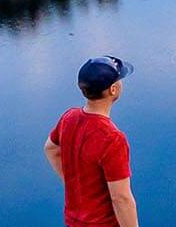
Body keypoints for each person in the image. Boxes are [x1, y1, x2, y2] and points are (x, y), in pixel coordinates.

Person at [45, 56, 139, 227]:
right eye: (120, 79)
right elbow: (121, 198)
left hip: (74, 220)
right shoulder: (112, 139)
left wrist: (73, 183)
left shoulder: (69, 118)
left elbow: (51, 149)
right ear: (113, 89)